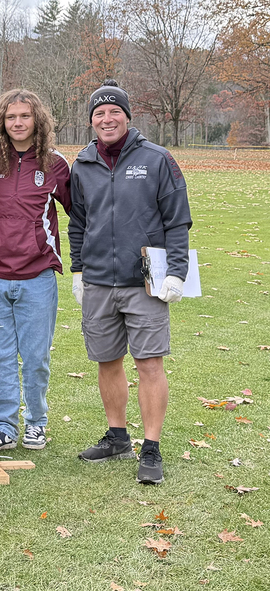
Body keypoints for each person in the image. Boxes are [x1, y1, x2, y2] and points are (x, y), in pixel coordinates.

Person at [68, 80, 191, 485]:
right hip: (99, 282)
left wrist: (176, 272)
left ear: (127, 116)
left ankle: (151, 447)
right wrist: (79, 270)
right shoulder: (82, 164)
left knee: (149, 363)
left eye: (114, 112)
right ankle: (118, 437)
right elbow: (78, 223)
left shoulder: (157, 159)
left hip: (144, 283)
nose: (107, 119)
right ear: (91, 121)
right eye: (99, 113)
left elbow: (177, 220)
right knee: (107, 361)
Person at [0, 89, 71, 453]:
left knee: (36, 358)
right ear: (1, 122)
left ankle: (36, 422)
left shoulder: (54, 164)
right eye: (11, 117)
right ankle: (3, 425)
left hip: (38, 277)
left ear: (38, 121)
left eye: (25, 116)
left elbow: (81, 211)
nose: (18, 123)